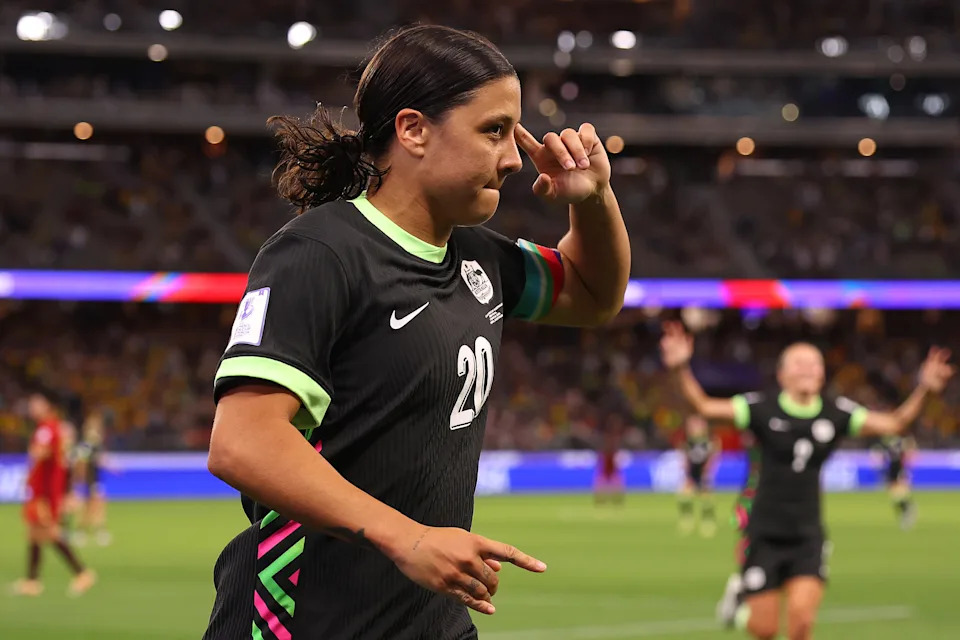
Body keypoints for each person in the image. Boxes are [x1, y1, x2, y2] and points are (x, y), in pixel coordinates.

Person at [203, 24, 630, 640]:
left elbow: (593, 297)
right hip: (308, 621)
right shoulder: (319, 253)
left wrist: (593, 199)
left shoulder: (481, 260)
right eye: (494, 130)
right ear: (413, 130)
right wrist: (408, 538)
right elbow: (241, 441)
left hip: (432, 621)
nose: (514, 157)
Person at [660, 321, 953, 640]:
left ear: (823, 374)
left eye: (814, 363)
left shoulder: (835, 413)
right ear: (782, 375)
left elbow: (896, 423)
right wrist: (679, 369)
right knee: (765, 629)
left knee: (800, 624)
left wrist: (925, 389)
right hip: (763, 535)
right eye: (798, 363)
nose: (807, 369)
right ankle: (741, 597)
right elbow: (702, 406)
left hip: (807, 536)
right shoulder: (759, 409)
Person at [12, 391, 96, 597]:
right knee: (34, 533)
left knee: (49, 532)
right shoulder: (52, 428)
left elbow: (41, 453)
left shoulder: (48, 429)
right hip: (42, 489)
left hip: (46, 492)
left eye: (36, 403)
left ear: (47, 406)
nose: (32, 408)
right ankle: (32, 581)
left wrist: (66, 491)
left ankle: (82, 573)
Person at [676, 414, 721, 537]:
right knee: (684, 496)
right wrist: (685, 463)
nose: (693, 427)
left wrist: (710, 465)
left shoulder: (708, 440)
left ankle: (708, 522)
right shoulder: (688, 441)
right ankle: (687, 520)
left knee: (706, 498)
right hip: (692, 470)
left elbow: (715, 451)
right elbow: (684, 452)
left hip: (703, 470)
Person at [72, 412, 112, 546]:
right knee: (87, 506)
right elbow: (81, 462)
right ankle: (82, 531)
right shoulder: (87, 445)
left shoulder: (96, 444)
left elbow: (99, 460)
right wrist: (80, 479)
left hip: (96, 479)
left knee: (97, 505)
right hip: (89, 480)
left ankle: (95, 530)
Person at [874, 434, 917, 530]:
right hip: (891, 469)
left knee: (898, 494)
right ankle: (906, 509)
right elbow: (883, 454)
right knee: (894, 494)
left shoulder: (901, 440)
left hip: (899, 469)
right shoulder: (887, 440)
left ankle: (908, 509)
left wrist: (907, 465)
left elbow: (909, 449)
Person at [594, 413, 626, 505]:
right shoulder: (607, 437)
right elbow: (603, 452)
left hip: (611, 463)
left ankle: (615, 500)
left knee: (615, 482)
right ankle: (602, 500)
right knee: (602, 483)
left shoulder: (614, 438)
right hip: (607, 462)